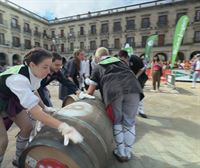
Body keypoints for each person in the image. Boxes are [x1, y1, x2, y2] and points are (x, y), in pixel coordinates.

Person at [0, 48, 83, 167]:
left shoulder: (34, 73)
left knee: (27, 127)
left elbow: (34, 91)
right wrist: (63, 127)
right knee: (2, 141)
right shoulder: (18, 79)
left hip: (9, 99)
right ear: (32, 65)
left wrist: (44, 107)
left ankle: (18, 159)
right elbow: (35, 113)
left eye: (49, 67)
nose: (48, 71)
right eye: (45, 67)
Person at [87, 47, 143, 162]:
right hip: (134, 88)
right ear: (108, 55)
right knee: (129, 122)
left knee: (117, 121)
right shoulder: (121, 62)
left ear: (97, 57)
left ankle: (121, 152)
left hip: (114, 92)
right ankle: (128, 152)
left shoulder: (98, 66)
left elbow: (90, 91)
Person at [118, 50, 148, 118]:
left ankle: (141, 110)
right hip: (131, 78)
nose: (121, 61)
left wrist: (136, 77)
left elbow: (142, 68)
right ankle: (134, 110)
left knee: (139, 93)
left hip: (140, 77)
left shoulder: (135, 58)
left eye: (122, 59)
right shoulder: (122, 62)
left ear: (125, 57)